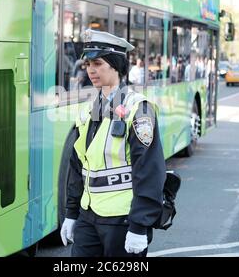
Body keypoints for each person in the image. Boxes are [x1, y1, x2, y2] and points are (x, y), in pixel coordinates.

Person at [60, 30, 167, 257]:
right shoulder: (88, 109)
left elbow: (149, 171)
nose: (91, 70)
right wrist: (71, 213)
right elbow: (78, 166)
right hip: (88, 216)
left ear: (116, 65)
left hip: (123, 220)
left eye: (98, 63)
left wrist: (139, 225)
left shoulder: (139, 109)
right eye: (88, 63)